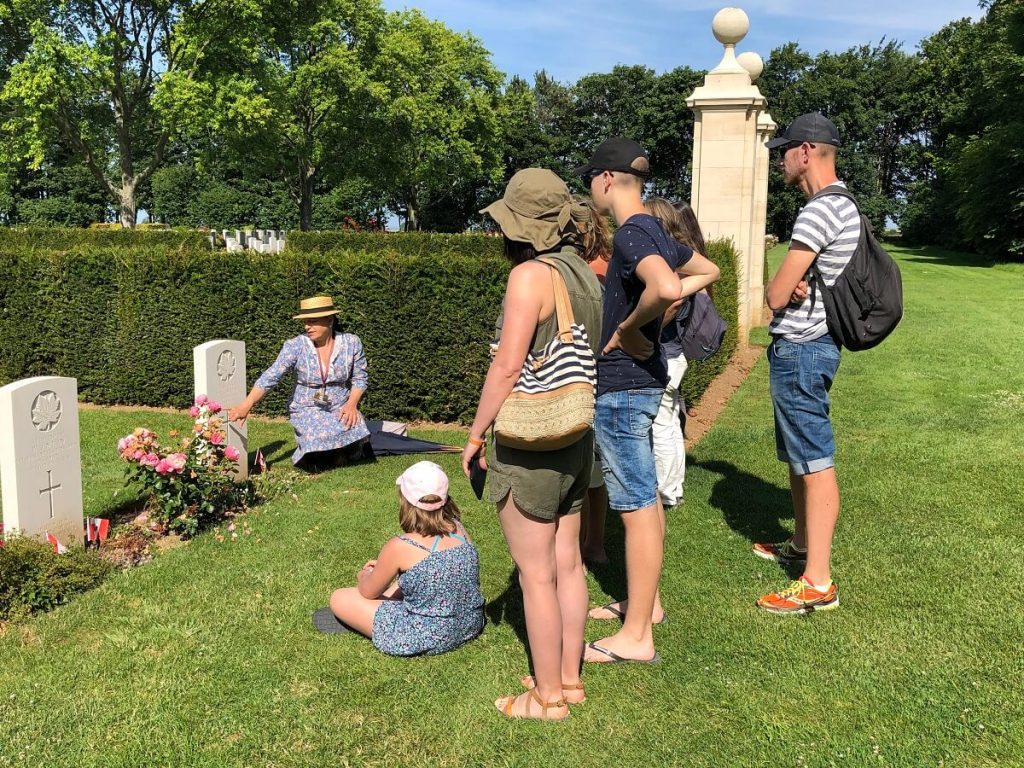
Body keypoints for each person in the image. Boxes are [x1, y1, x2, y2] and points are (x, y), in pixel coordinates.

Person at [461, 168, 602, 721]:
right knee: (567, 564)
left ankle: (545, 700)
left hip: (531, 445)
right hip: (574, 437)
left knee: (534, 573)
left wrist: (475, 435)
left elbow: (507, 365)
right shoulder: (583, 273)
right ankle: (568, 678)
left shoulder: (529, 277)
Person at [577, 138, 718, 664]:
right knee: (648, 499)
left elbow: (664, 285)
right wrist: (652, 325)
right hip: (646, 380)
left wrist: (631, 328)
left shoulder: (634, 231)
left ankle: (636, 637)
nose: (589, 186)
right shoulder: (655, 228)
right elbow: (706, 272)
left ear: (608, 180)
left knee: (635, 506)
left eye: (591, 177)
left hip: (622, 384)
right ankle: (646, 606)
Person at [756, 112, 858, 614]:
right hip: (814, 343)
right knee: (801, 454)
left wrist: (784, 288)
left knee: (814, 460)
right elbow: (810, 283)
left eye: (784, 151)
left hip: (802, 346)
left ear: (807, 152)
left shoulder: (818, 212)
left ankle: (818, 581)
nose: (780, 160)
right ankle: (800, 544)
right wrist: (799, 286)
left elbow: (775, 295)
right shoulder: (844, 206)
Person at [318, 461, 485, 655]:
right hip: (469, 623)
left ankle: (369, 616)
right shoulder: (459, 529)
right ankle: (378, 604)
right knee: (405, 581)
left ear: (406, 501)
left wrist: (365, 574)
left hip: (428, 634)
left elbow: (367, 591)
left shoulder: (401, 545)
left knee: (339, 597)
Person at [228, 296, 369, 469]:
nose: (307, 327)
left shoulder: (352, 343)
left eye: (312, 321)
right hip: (307, 406)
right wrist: (247, 404)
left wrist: (352, 405)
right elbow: (272, 375)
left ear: (330, 320)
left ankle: (339, 450)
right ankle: (329, 452)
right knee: (316, 435)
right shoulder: (295, 345)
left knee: (354, 423)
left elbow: (360, 378)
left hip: (341, 403)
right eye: (305, 322)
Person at [644, 198, 719, 509]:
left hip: (667, 352)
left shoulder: (671, 261)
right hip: (676, 354)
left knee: (661, 422)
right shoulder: (682, 256)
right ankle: (673, 488)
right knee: (670, 418)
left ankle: (665, 493)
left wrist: (646, 330)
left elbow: (673, 302)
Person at [577, 197, 612, 565]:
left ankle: (593, 542)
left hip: (591, 376)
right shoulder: (599, 265)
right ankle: (591, 542)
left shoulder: (599, 268)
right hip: (593, 374)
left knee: (591, 470)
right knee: (591, 470)